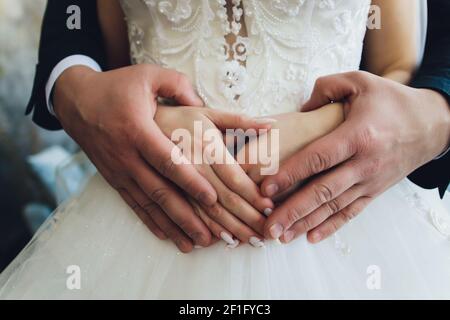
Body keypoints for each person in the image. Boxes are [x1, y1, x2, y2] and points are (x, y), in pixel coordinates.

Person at [1, 0, 449, 299]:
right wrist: (150, 117)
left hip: (342, 199)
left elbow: (398, 66)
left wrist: (323, 125)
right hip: (159, 198)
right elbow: (114, 65)